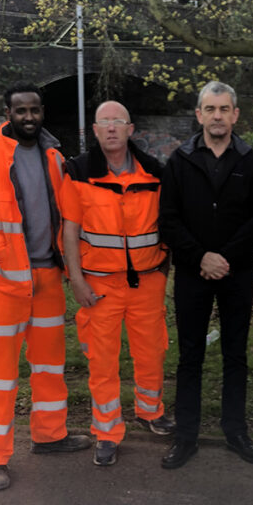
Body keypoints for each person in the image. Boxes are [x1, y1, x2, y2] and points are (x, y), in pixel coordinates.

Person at [0, 81, 90, 491]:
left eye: (35, 110)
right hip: (6, 284)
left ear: (42, 112)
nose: (29, 117)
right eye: (21, 110)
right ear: (8, 114)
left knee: (49, 367)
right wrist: (1, 252)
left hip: (47, 280)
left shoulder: (55, 158)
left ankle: (50, 436)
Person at [158, 81, 253, 469]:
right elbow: (168, 220)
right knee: (189, 355)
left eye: (224, 109)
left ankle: (236, 431)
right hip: (192, 273)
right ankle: (186, 437)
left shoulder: (251, 162)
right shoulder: (180, 160)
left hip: (236, 273)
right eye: (210, 109)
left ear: (235, 115)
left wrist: (224, 257)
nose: (218, 116)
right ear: (199, 115)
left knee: (234, 355)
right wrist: (201, 257)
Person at [59, 101, 175, 467]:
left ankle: (150, 411)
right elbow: (70, 231)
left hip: (148, 281)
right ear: (93, 131)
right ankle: (107, 431)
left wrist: (162, 272)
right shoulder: (77, 172)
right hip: (99, 286)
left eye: (118, 122)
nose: (111, 128)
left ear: (131, 129)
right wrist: (76, 280)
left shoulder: (156, 172)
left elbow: (168, 226)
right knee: (102, 360)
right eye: (104, 122)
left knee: (152, 350)